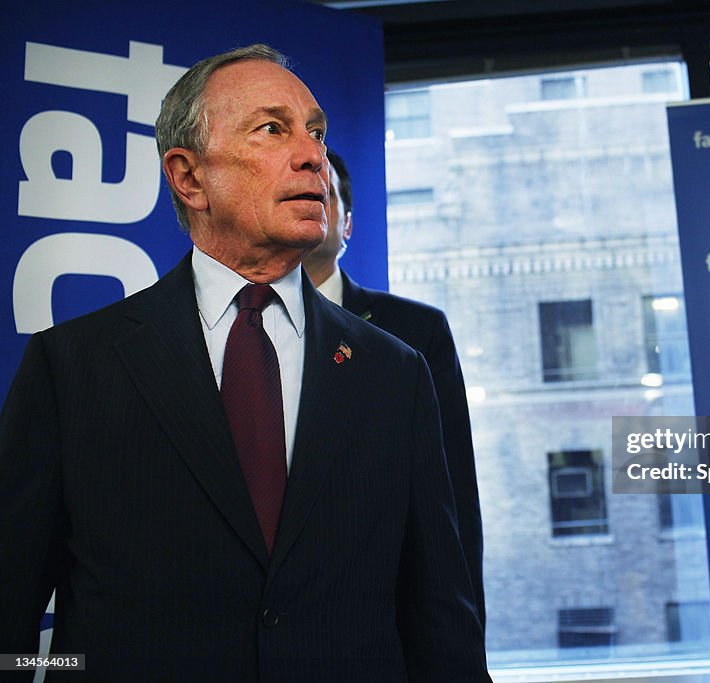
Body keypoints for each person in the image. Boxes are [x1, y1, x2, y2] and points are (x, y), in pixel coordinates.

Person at [0, 44, 489, 682]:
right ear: (189, 177)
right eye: (272, 129)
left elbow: (440, 620)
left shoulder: (396, 371)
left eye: (315, 131)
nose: (314, 154)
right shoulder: (73, 367)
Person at [303, 150, 486, 628]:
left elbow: (454, 493)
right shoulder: (239, 326)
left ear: (347, 224)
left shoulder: (415, 330)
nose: (311, 201)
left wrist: (466, 635)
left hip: (383, 610)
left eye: (324, 194)